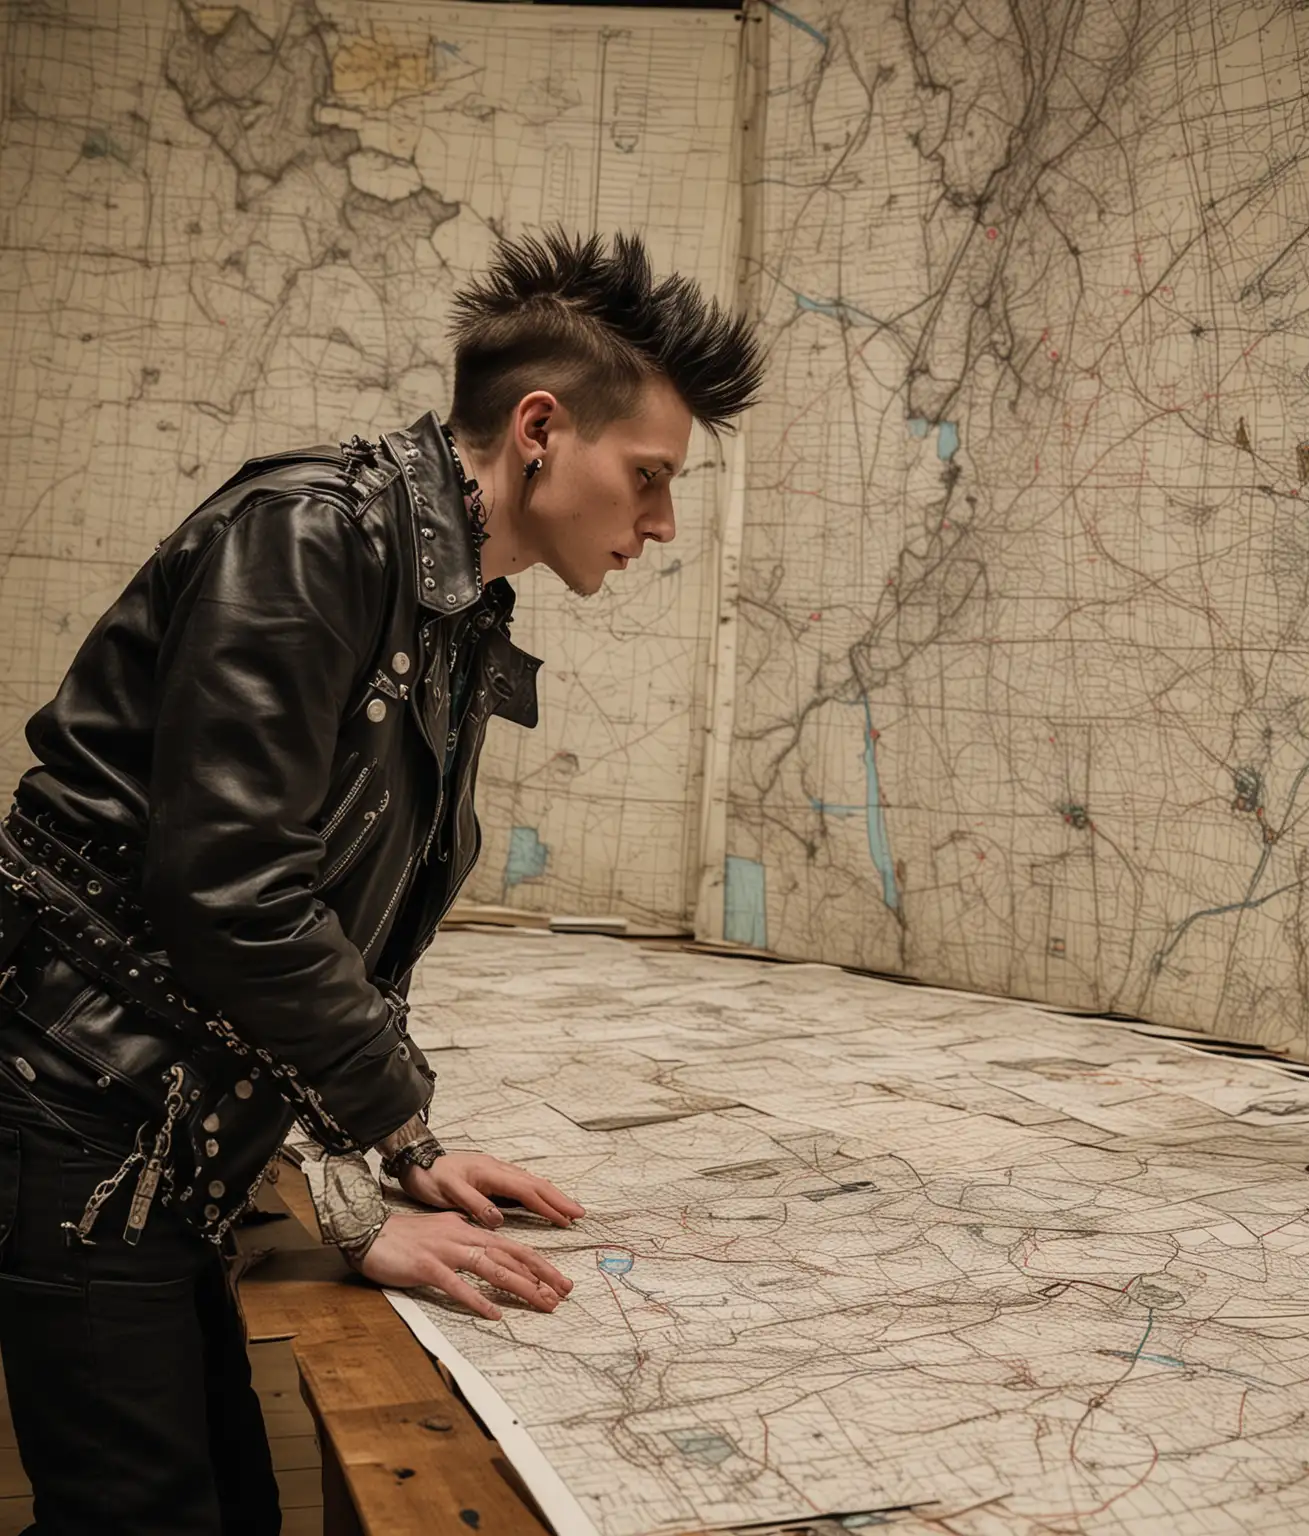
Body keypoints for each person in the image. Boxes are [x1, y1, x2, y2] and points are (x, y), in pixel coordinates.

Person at [0, 229, 763, 1535]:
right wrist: (382, 1139)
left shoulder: (455, 611)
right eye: (647, 477)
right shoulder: (310, 538)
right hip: (78, 1119)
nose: (660, 524)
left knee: (236, 1503)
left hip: (170, 1138)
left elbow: (347, 936)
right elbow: (234, 899)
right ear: (539, 429)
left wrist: (392, 1165)